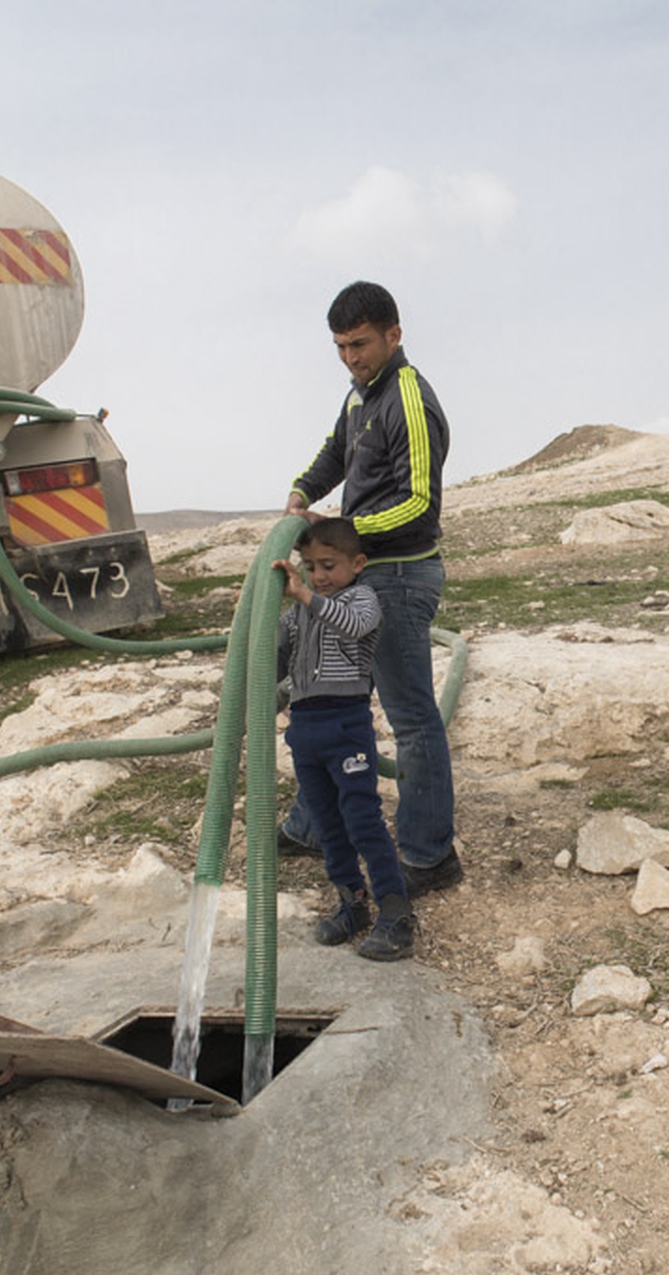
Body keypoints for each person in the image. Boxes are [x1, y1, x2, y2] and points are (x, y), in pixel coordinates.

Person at [280, 281, 461, 898]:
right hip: (362, 568)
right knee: (327, 696)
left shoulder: (408, 397)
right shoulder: (362, 395)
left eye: (360, 344)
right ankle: (311, 824)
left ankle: (430, 854)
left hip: (398, 574)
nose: (351, 358)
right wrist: (302, 492)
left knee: (410, 720)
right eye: (340, 347)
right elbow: (337, 453)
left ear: (394, 334)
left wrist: (342, 532)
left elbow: (418, 503)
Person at [274, 518, 416, 961]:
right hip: (306, 730)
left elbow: (353, 626)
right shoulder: (298, 611)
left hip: (346, 725)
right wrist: (262, 613)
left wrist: (305, 596)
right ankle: (351, 902)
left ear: (357, 564)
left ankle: (396, 914)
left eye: (329, 566)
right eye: (311, 566)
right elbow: (275, 658)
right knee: (327, 824)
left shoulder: (362, 599)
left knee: (362, 820)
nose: (319, 576)